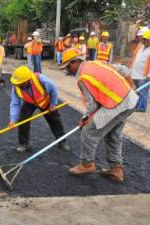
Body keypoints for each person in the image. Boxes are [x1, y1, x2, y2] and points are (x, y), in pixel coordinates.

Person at [60, 48, 138, 182]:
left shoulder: (83, 78)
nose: (67, 70)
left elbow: (92, 105)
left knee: (88, 132)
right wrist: (131, 86)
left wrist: (84, 120)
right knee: (113, 135)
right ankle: (116, 170)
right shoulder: (97, 63)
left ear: (75, 62)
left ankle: (86, 164)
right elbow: (124, 70)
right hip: (129, 100)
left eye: (67, 66)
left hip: (116, 105)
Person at [9, 66, 70, 152]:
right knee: (23, 120)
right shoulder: (16, 87)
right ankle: (24, 144)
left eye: (21, 84)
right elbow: (15, 104)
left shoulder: (41, 79)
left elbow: (54, 89)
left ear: (27, 80)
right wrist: (13, 119)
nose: (19, 86)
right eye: (17, 84)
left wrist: (53, 105)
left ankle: (62, 141)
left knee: (55, 120)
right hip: (30, 102)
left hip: (45, 101)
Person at [130, 28, 150, 112]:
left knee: (143, 92)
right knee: (137, 91)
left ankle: (141, 107)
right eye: (143, 39)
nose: (144, 41)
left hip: (144, 76)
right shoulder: (142, 48)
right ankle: (137, 105)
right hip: (136, 74)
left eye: (145, 39)